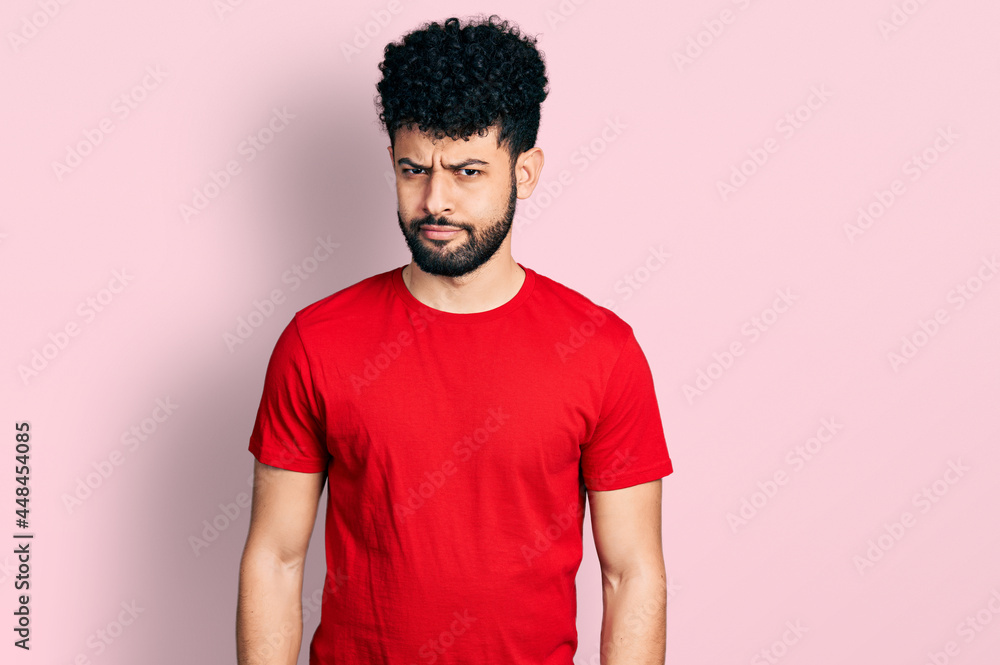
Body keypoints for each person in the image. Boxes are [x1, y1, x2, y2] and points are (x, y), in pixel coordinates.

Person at [236, 14, 673, 665]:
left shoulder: (601, 350)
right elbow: (274, 557)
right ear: (392, 161)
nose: (434, 200)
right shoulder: (316, 342)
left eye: (467, 172)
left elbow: (632, 572)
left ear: (524, 173)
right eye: (414, 169)